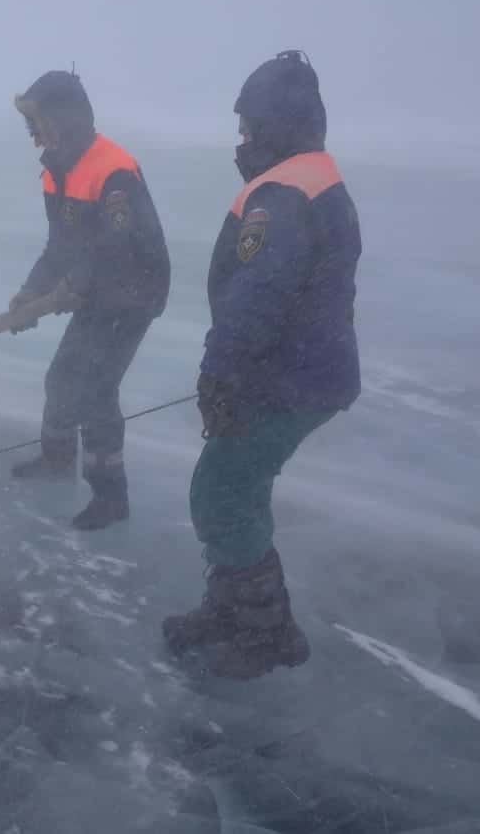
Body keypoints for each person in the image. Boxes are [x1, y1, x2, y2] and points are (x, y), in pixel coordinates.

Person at [162, 50, 362, 679]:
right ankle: (232, 609)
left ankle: (266, 631)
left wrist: (218, 372)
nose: (241, 141)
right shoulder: (310, 177)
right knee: (233, 489)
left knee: (222, 495)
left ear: (276, 126)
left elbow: (260, 291)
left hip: (285, 377)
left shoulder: (284, 190)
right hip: (295, 371)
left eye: (248, 128)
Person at [7, 70, 171, 531]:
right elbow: (61, 246)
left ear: (66, 120)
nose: (32, 132)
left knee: (96, 390)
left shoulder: (112, 169)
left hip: (134, 292)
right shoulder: (56, 171)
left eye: (37, 120)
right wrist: (31, 292)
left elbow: (120, 246)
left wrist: (74, 287)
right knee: (62, 378)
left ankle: (110, 495)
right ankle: (57, 461)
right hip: (94, 291)